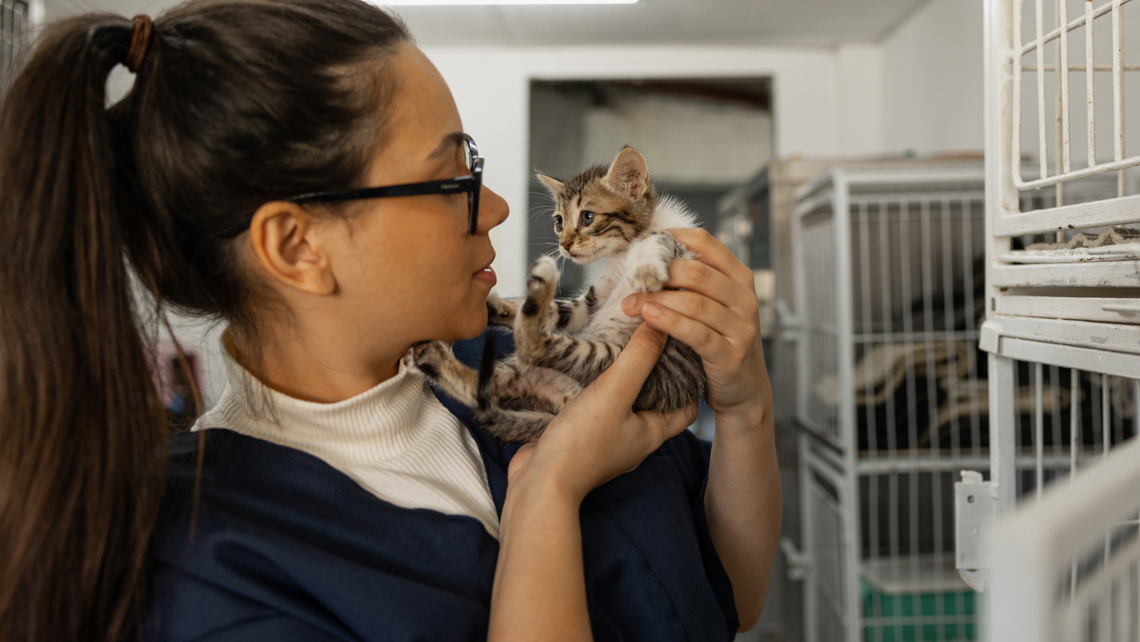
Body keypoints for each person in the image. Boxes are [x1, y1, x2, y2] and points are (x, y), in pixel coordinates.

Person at [0, 0, 781, 640]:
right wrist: (547, 499)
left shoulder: (519, 362)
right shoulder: (204, 566)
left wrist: (745, 408)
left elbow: (730, 599)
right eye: (452, 177)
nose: (501, 207)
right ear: (296, 244)